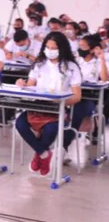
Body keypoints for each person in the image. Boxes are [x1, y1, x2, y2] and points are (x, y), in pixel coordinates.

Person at [15, 32, 82, 177]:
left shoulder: (71, 67)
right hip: (37, 106)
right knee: (20, 124)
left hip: (58, 109)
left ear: (62, 48)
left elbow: (77, 96)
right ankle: (44, 154)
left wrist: (61, 101)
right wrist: (22, 84)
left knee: (51, 130)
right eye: (47, 47)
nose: (50, 51)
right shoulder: (39, 64)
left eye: (53, 48)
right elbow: (30, 85)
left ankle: (39, 154)